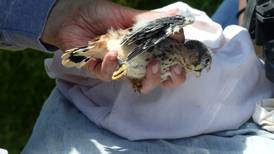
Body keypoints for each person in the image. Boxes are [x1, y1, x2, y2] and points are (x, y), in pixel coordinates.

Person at [1, 0, 274, 153]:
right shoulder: (176, 41)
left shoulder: (177, 58)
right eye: (199, 64)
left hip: (122, 49)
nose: (200, 70)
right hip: (123, 45)